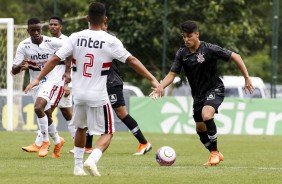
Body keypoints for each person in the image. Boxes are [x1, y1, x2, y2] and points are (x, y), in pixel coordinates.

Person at [24, 2, 161, 176]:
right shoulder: (110, 40)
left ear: (87, 18)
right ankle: (92, 160)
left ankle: (77, 167)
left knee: (81, 128)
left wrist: (36, 78)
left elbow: (54, 59)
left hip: (78, 95)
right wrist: (153, 79)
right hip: (98, 95)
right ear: (105, 19)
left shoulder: (75, 37)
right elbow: (132, 60)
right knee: (108, 132)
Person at [150, 20, 254, 166]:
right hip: (198, 95)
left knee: (207, 115)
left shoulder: (209, 49)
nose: (186, 39)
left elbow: (235, 56)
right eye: (184, 36)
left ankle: (214, 153)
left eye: (189, 36)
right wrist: (161, 86)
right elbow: (172, 74)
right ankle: (215, 152)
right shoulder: (182, 53)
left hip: (215, 88)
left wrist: (247, 78)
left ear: (197, 34)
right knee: (200, 128)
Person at [12, 17, 65, 158]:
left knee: (38, 107)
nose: (36, 32)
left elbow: (70, 49)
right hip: (35, 82)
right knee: (47, 115)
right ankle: (58, 141)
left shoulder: (51, 41)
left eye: (38, 30)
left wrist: (67, 72)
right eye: (33, 30)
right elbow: (13, 70)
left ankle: (44, 143)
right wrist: (20, 66)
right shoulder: (24, 46)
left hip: (52, 80)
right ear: (28, 30)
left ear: (41, 29)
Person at [21, 16, 75, 154]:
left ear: (60, 26)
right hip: (49, 82)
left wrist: (67, 83)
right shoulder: (46, 43)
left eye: (55, 24)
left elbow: (70, 58)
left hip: (60, 82)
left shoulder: (64, 41)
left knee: (59, 111)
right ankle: (51, 142)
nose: (52, 27)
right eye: (50, 24)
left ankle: (79, 144)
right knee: (47, 110)